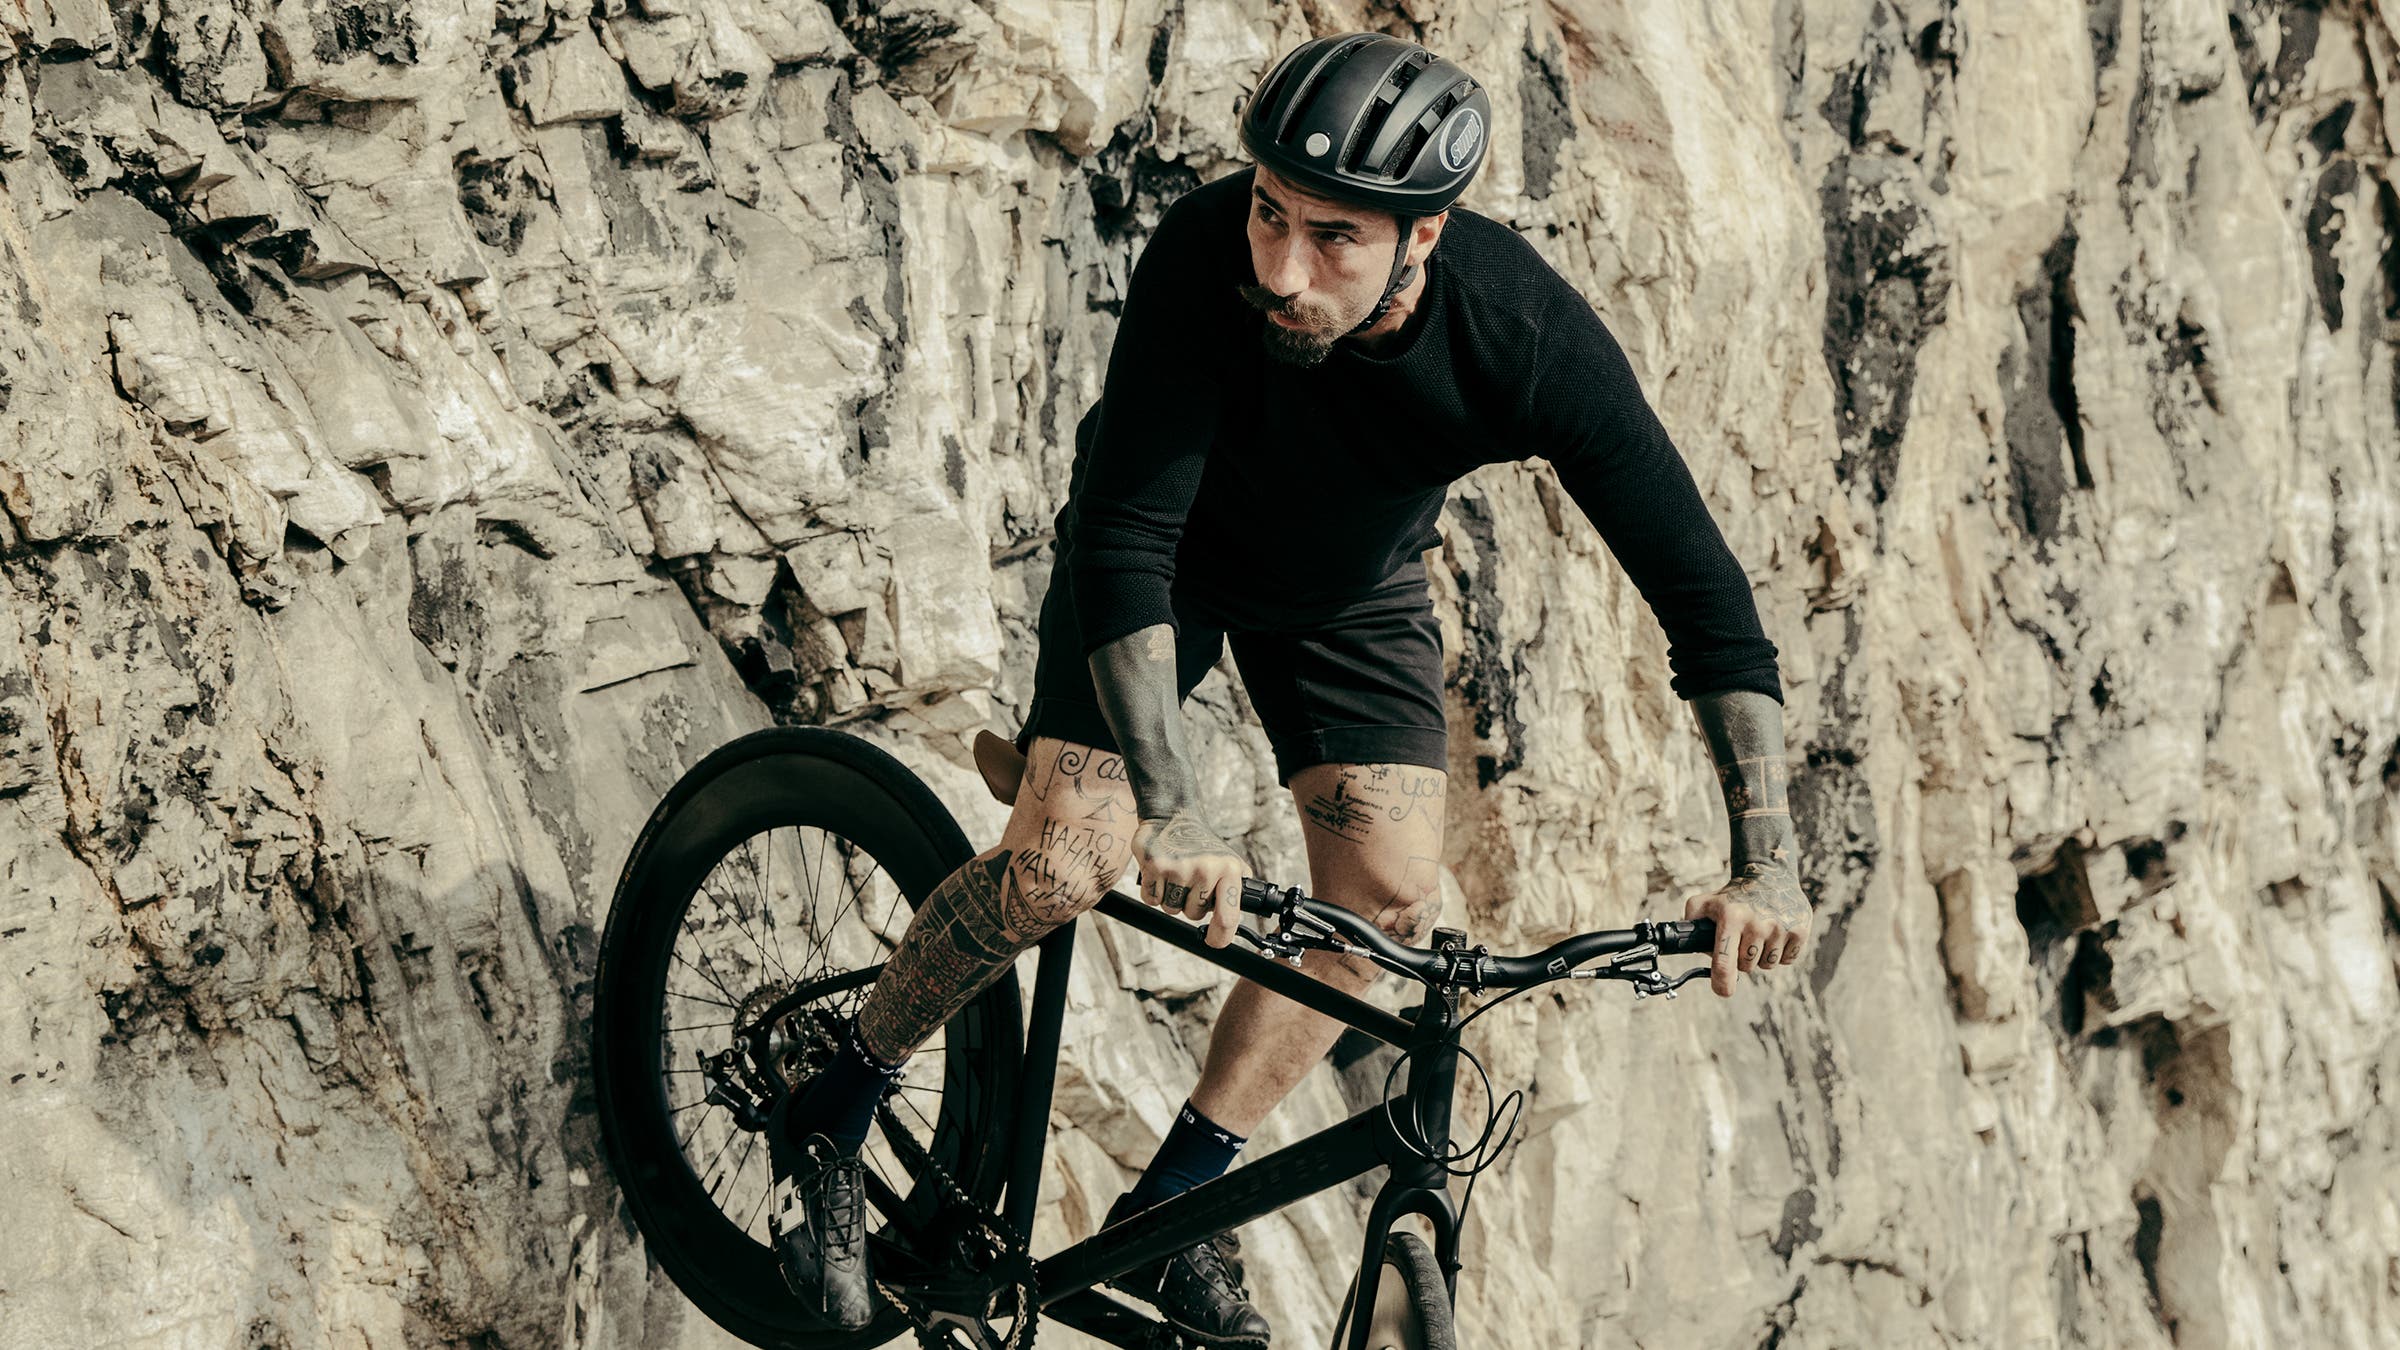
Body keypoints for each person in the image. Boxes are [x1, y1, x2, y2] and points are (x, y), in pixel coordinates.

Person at [764, 31, 1812, 1346]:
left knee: (1386, 906)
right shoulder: (1205, 257)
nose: (1282, 267)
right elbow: (1126, 540)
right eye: (1272, 212)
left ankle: (1173, 1204)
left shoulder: (1521, 334)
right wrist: (1172, 808)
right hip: (1167, 564)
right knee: (1062, 867)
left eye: (1334, 239)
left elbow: (1708, 603)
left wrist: (1766, 863)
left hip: (1349, 593)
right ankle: (835, 1098)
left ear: (1424, 237)